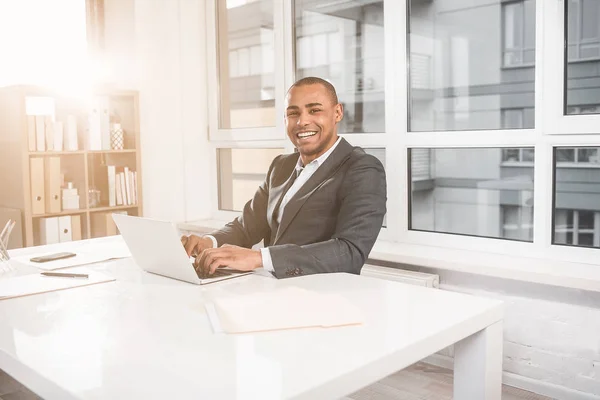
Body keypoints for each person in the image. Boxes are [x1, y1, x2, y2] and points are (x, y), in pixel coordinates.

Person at [182, 77, 386, 278]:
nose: (302, 121)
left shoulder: (363, 169)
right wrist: (209, 242)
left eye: (314, 110)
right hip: (271, 290)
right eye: (293, 113)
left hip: (322, 299)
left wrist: (259, 258)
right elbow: (247, 226)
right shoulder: (281, 165)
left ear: (338, 112)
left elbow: (350, 251)